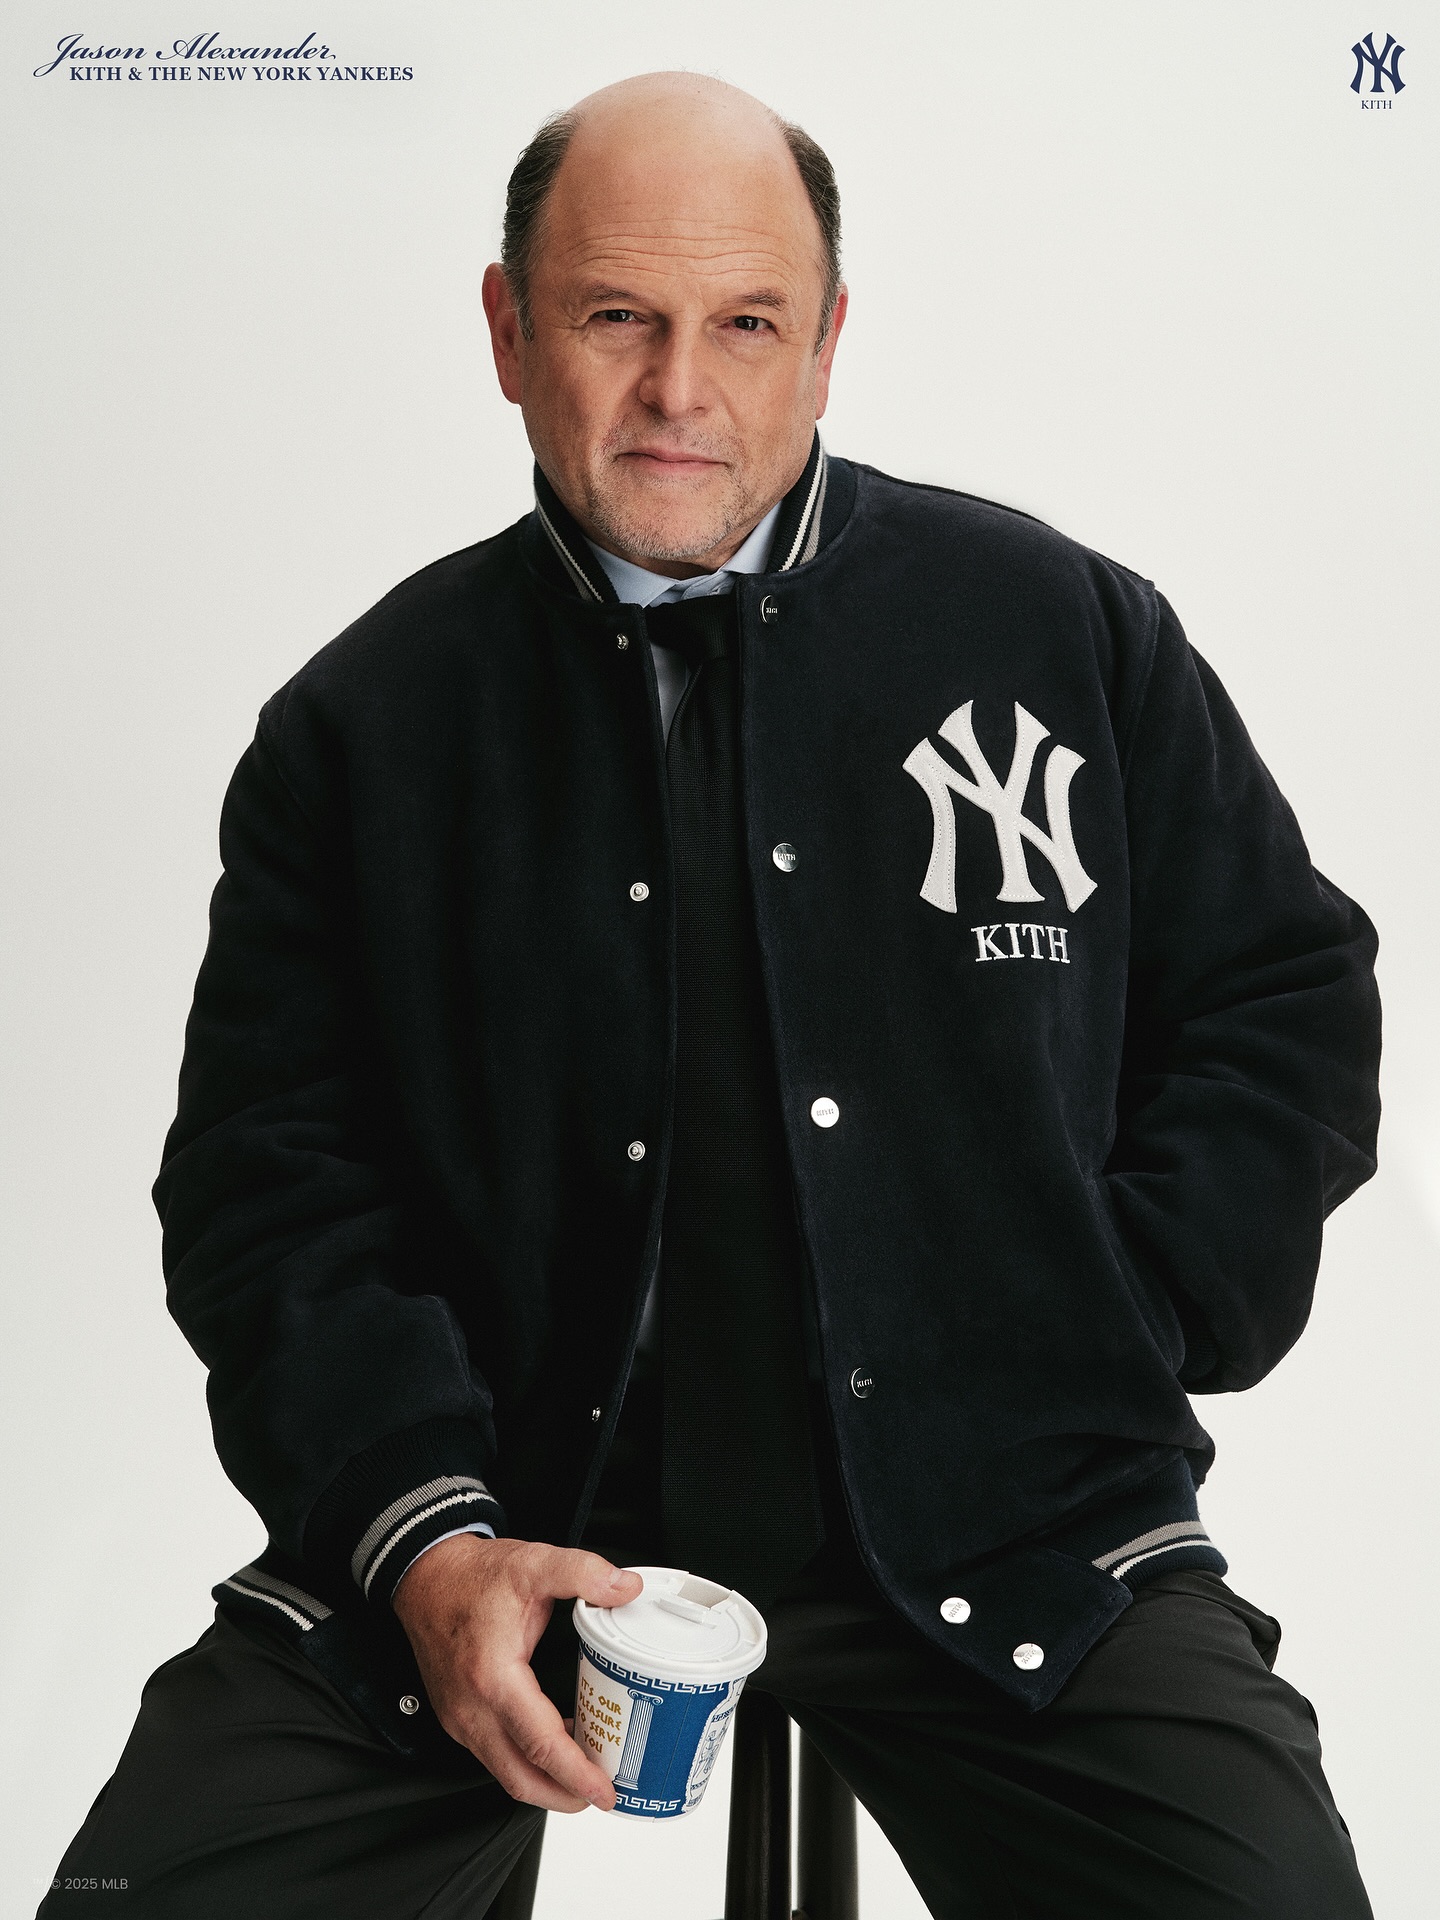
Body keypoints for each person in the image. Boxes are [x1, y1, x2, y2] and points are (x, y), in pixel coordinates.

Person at [42, 71, 1381, 1919]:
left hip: (1012, 1514)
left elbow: (1283, 999)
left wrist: (1121, 1316)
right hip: (501, 1516)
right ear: (509, 332)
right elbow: (267, 1194)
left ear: (826, 344)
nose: (682, 389)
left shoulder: (1061, 630)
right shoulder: (363, 727)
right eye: (618, 316)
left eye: (747, 322)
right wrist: (425, 1538)